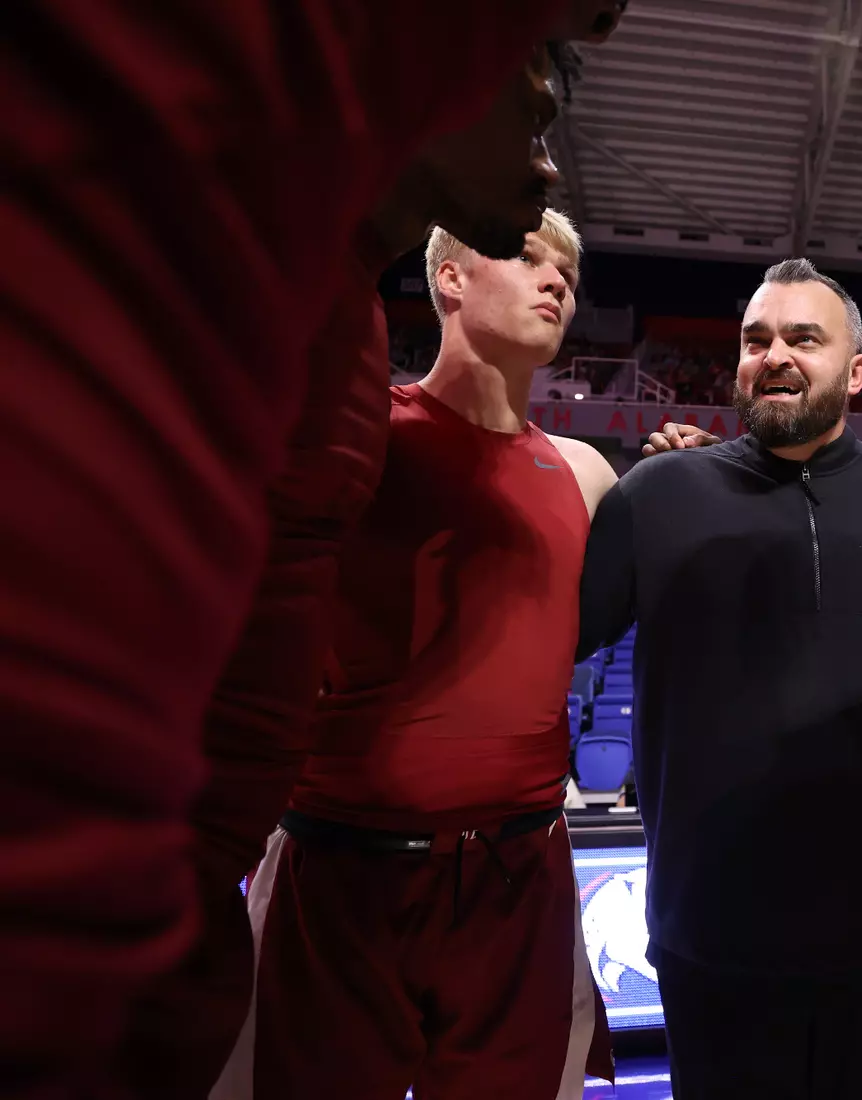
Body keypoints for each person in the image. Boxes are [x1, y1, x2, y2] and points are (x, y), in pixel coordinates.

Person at [1, 4, 626, 1094]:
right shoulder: (310, 348)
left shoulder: (560, 457)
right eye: (520, 60)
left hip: (516, 861)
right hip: (325, 859)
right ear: (451, 277)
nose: (546, 120)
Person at [214, 210, 616, 1100]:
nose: (557, 281)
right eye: (526, 256)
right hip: (347, 869)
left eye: (569, 273)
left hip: (522, 872)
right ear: (450, 280)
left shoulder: (589, 474)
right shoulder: (362, 436)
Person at [577, 258, 862, 1099]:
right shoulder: (655, 494)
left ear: (858, 370)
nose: (776, 355)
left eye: (805, 337)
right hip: (712, 935)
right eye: (756, 339)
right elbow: (547, 646)